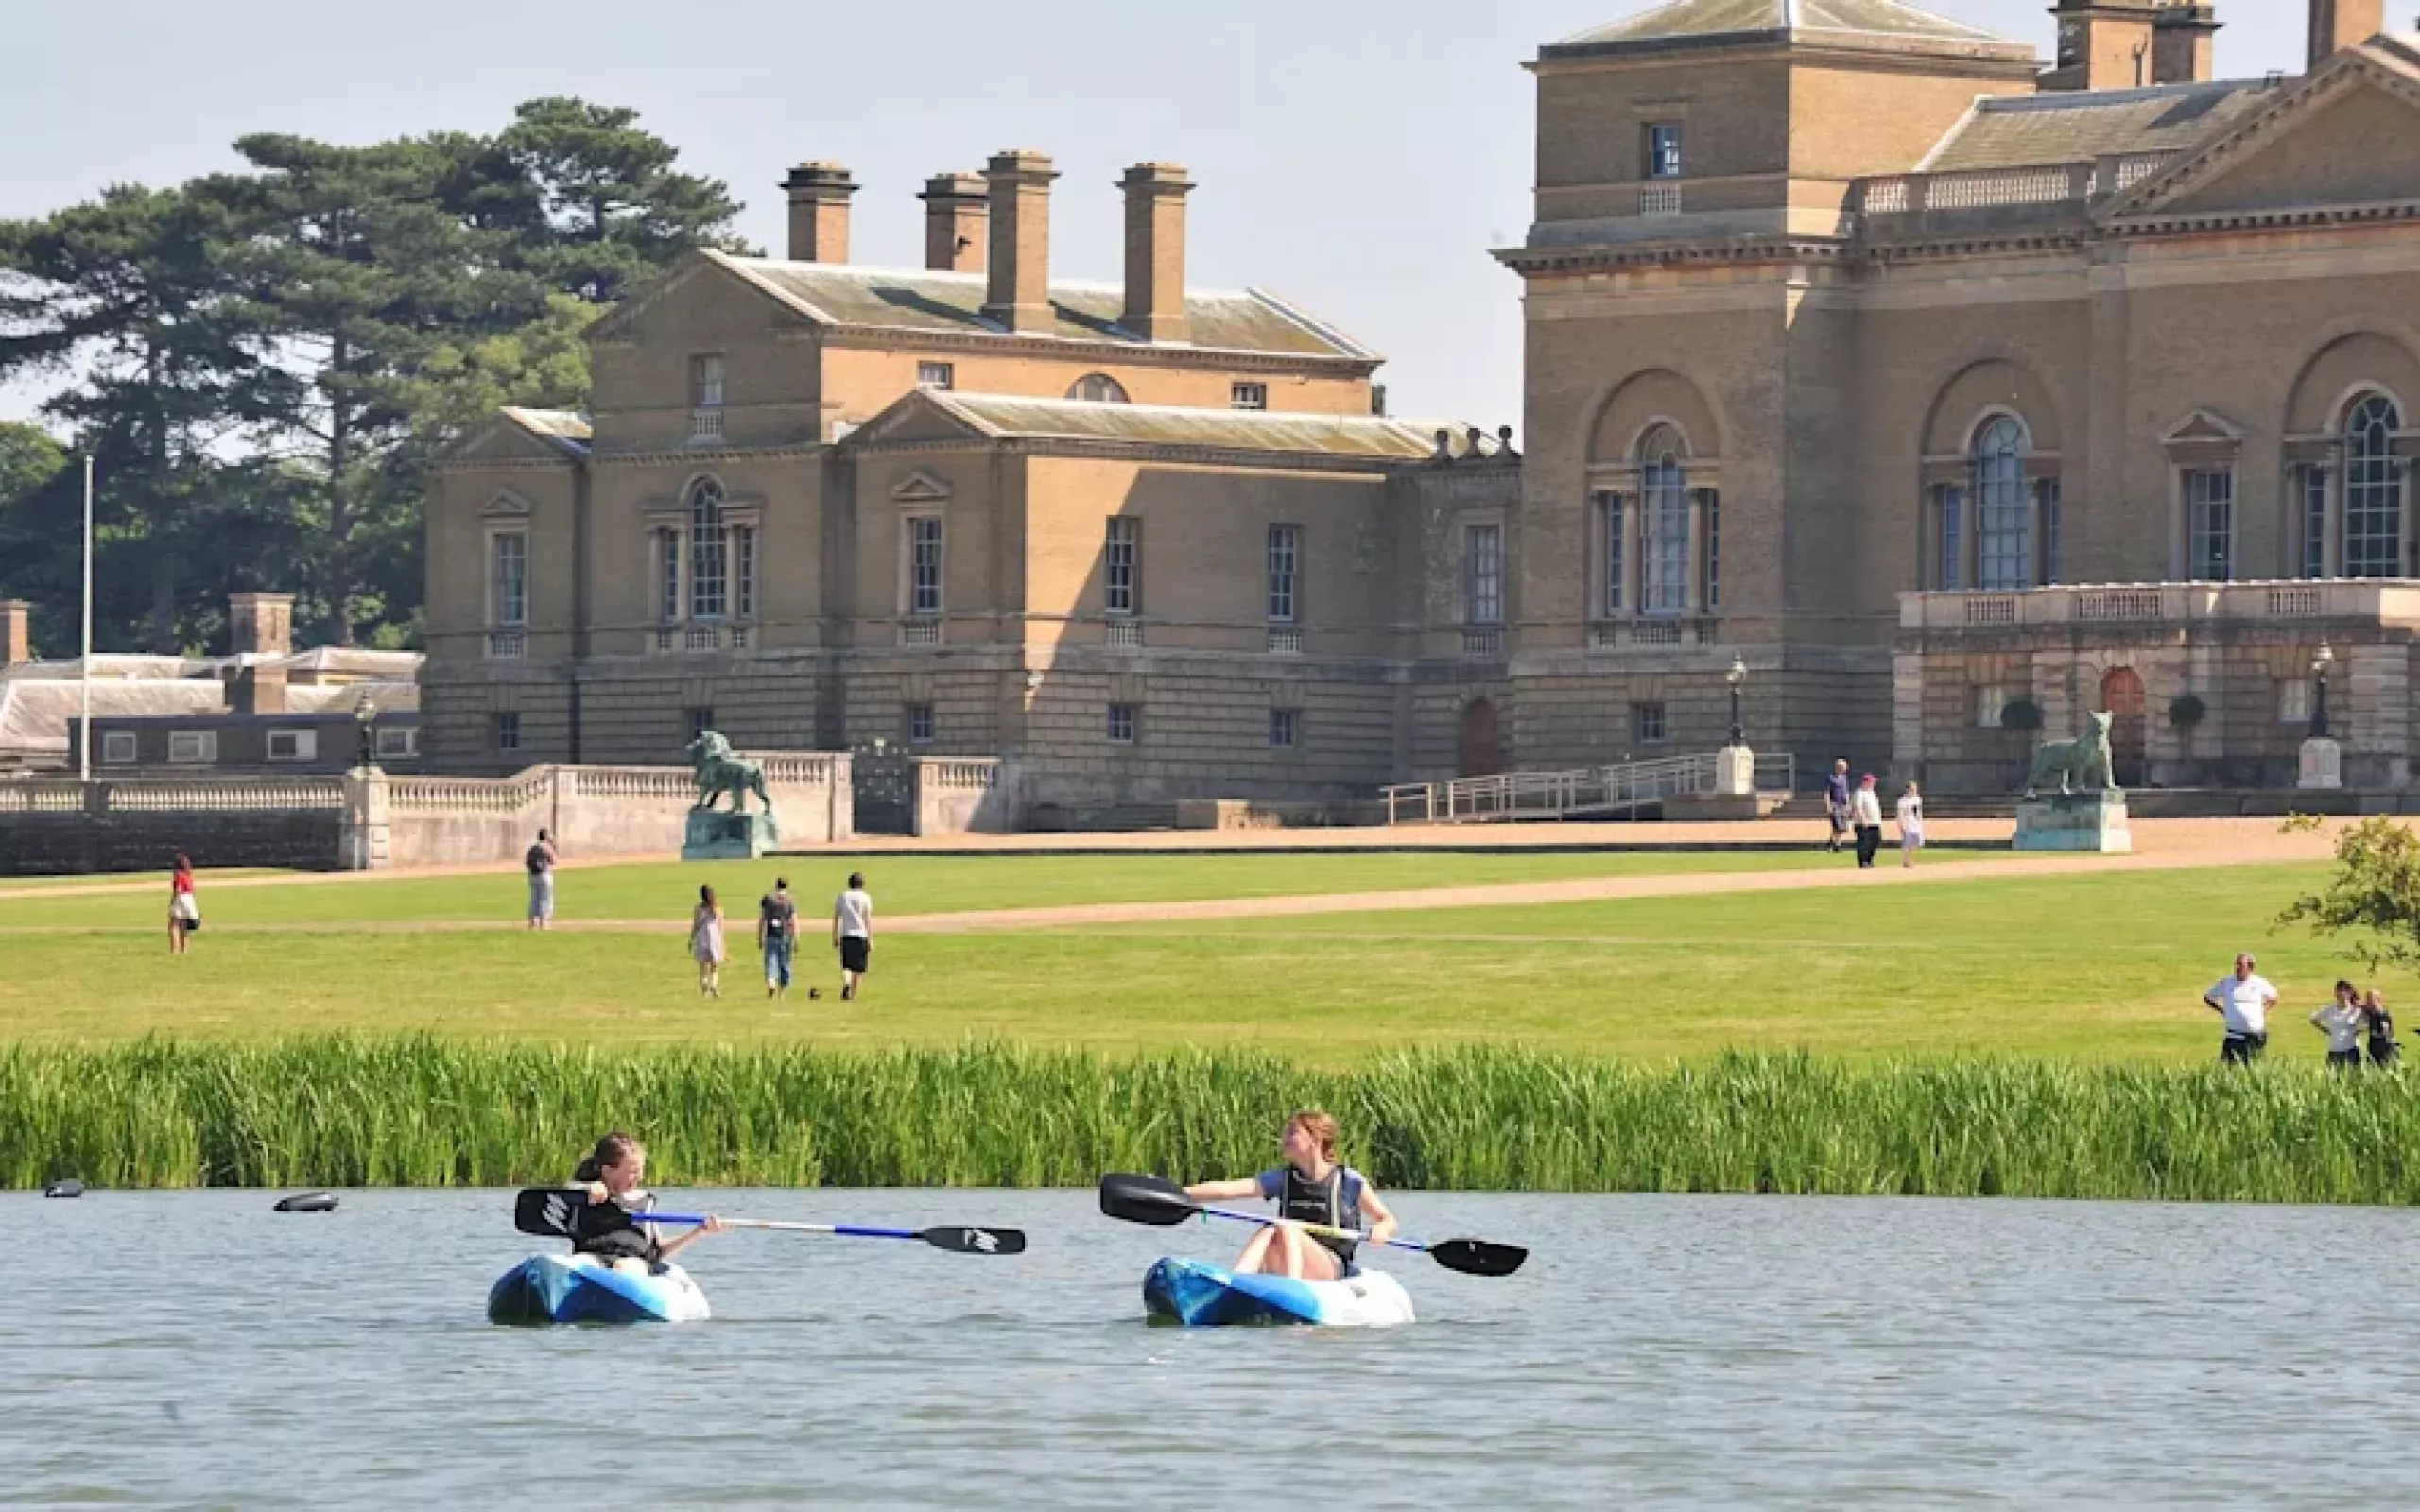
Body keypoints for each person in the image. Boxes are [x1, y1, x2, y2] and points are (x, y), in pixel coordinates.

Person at [1182, 1110, 1398, 1281]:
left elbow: (1387, 1219)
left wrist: (1381, 1229)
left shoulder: (1349, 1180)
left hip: (1331, 1266)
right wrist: (1180, 1193)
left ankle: (1291, 1286)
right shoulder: (1281, 1178)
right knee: (1270, 1227)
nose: (1283, 1138)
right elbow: (1226, 1190)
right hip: (1291, 1257)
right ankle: (1237, 1279)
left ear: (1315, 1139)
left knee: (1285, 1227)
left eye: (1292, 1133)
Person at [568, 1132, 721, 1276]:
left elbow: (659, 1249)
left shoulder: (643, 1202)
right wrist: (587, 1190)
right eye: (633, 1171)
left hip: (633, 1261)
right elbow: (565, 1192)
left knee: (623, 1267)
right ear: (607, 1171)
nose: (640, 1177)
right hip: (593, 1256)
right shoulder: (584, 1194)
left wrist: (698, 1231)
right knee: (580, 1262)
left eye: (641, 1171)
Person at [2204, 953, 2278, 1064]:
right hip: (2233, 1035)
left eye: (2241, 965)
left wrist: (2262, 1011)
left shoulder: (2259, 983)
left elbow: (2273, 998)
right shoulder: (2226, 982)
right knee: (2227, 1067)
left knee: (2252, 1067)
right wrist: (2223, 1011)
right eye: (2236, 964)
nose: (2237, 967)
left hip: (2255, 1036)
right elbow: (2208, 997)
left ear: (2250, 967)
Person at [834, 870, 873, 1002]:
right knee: (859, 968)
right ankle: (853, 994)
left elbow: (837, 917)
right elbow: (867, 919)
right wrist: (870, 938)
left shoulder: (843, 896)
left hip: (846, 934)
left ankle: (846, 983)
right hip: (861, 934)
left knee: (847, 965)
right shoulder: (865, 897)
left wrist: (835, 935)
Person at [758, 876, 798, 1001]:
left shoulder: (769, 899)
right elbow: (794, 921)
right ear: (787, 886)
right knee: (785, 964)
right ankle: (781, 993)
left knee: (771, 961)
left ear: (776, 885)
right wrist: (796, 938)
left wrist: (760, 936)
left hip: (771, 935)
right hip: (786, 935)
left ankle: (771, 983)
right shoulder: (790, 901)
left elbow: (762, 919)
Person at [2311, 980, 2363, 1072]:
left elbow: (2368, 1022)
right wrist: (2325, 1030)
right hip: (2334, 1050)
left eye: (2342, 990)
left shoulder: (2356, 1010)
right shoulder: (2330, 1009)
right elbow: (2314, 1019)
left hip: (2351, 1050)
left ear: (2349, 993)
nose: (2339, 993)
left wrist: (2358, 1031)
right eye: (2337, 990)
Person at [690, 885, 726, 998]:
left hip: (702, 937)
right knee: (714, 966)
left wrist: (691, 939)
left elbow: (695, 925)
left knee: (703, 966)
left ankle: (705, 990)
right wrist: (723, 941)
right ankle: (714, 986)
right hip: (714, 937)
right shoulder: (717, 907)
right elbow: (721, 925)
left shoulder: (698, 908)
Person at [1849, 773, 1885, 869]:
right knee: (1864, 842)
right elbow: (1858, 806)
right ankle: (1863, 861)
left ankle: (1869, 859)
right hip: (1862, 823)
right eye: (1871, 782)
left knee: (1876, 841)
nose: (1873, 784)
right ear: (1865, 782)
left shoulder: (1872, 793)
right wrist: (1863, 819)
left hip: (1875, 822)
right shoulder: (1859, 793)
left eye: (1873, 782)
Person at [525, 829, 557, 931]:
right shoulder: (547, 847)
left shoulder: (533, 847)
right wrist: (552, 845)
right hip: (544, 874)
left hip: (533, 876)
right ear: (546, 837)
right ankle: (543, 923)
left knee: (534, 899)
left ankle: (532, 922)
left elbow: (526, 861)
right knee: (545, 899)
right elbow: (553, 860)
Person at [2360, 988, 2401, 1069]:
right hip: (2374, 1047)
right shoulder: (2372, 1011)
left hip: (2383, 1048)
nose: (2367, 1001)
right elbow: (2364, 1008)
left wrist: (2371, 1031)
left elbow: (2387, 1033)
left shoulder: (2382, 1014)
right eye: (2367, 998)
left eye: (2370, 999)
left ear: (2378, 1000)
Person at [168, 853, 199, 955]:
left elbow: (178, 890)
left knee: (174, 925)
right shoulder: (188, 875)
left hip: (181, 898)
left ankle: (174, 950)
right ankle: (184, 951)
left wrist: (172, 901)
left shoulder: (179, 875)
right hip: (190, 899)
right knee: (185, 927)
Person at [1824, 758, 1852, 853]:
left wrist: (1848, 804)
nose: (1845, 768)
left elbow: (1846, 792)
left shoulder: (1844, 778)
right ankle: (1835, 845)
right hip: (1834, 804)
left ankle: (1834, 844)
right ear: (1838, 767)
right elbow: (1827, 793)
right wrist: (1828, 805)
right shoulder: (1831, 778)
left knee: (1841, 827)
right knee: (1836, 826)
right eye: (1843, 766)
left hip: (1843, 805)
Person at [1895, 780, 1926, 868]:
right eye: (1912, 789)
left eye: (1915, 789)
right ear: (1907, 789)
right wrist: (1901, 825)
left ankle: (1908, 857)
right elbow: (1900, 813)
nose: (1914, 791)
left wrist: (1920, 821)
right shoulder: (1902, 801)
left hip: (1916, 824)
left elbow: (1918, 811)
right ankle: (1906, 860)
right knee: (1907, 843)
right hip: (1907, 823)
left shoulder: (1918, 798)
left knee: (1918, 842)